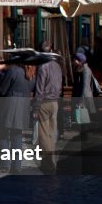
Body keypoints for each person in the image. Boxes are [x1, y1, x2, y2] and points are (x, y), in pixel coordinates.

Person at [0, 60, 34, 173]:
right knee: (17, 136)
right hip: (23, 106)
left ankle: (5, 164)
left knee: (2, 134)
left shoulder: (13, 71)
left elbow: (3, 90)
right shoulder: (32, 73)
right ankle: (16, 165)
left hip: (10, 106)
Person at [33, 41, 62, 175]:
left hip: (44, 102)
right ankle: (50, 162)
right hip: (55, 101)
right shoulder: (57, 66)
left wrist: (35, 107)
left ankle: (49, 164)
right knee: (51, 133)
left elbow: (39, 89)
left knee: (44, 135)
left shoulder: (42, 66)